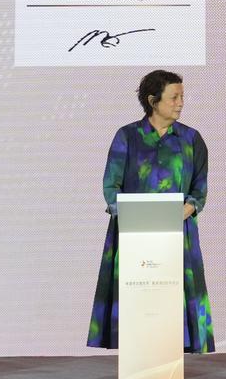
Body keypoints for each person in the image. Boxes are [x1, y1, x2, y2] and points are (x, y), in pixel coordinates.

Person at [87, 69, 214, 353]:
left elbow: (199, 189)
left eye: (182, 97)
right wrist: (135, 216)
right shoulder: (127, 136)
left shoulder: (191, 139)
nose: (180, 103)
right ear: (152, 100)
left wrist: (182, 211)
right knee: (137, 309)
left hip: (176, 233)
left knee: (172, 306)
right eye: (174, 97)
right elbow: (111, 186)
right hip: (134, 235)